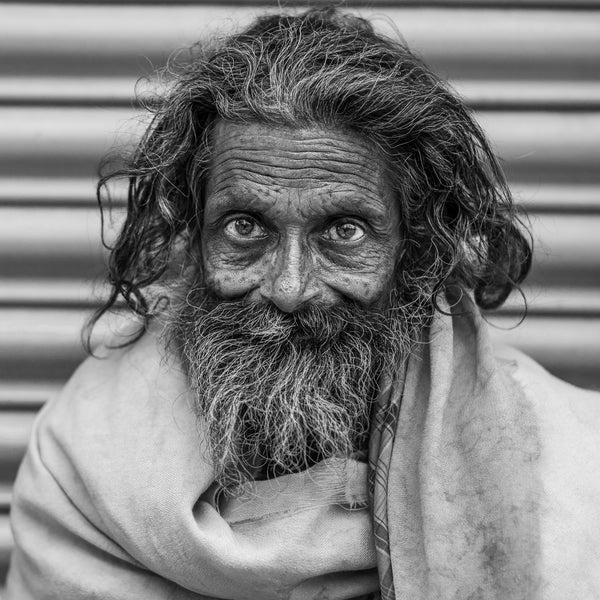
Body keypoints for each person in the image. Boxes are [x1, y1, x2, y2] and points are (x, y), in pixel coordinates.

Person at [6, 8, 600, 599]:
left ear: (414, 248)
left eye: (344, 231)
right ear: (191, 234)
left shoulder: (567, 466)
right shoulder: (80, 464)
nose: (290, 289)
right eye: (245, 227)